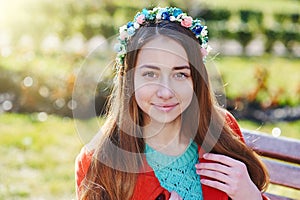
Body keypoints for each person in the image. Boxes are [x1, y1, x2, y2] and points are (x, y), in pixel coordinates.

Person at [75, 6, 270, 200]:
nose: (166, 92)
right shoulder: (98, 161)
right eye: (150, 74)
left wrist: (250, 196)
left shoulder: (220, 128)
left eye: (180, 74)